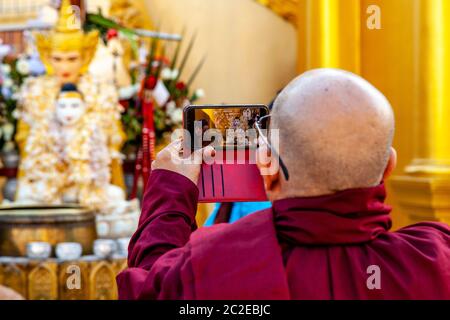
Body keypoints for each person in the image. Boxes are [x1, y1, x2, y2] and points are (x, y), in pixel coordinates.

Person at [117, 69, 450, 299]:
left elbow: (152, 288)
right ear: (388, 166)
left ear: (268, 166)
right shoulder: (436, 260)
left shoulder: (214, 264)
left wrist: (170, 193)